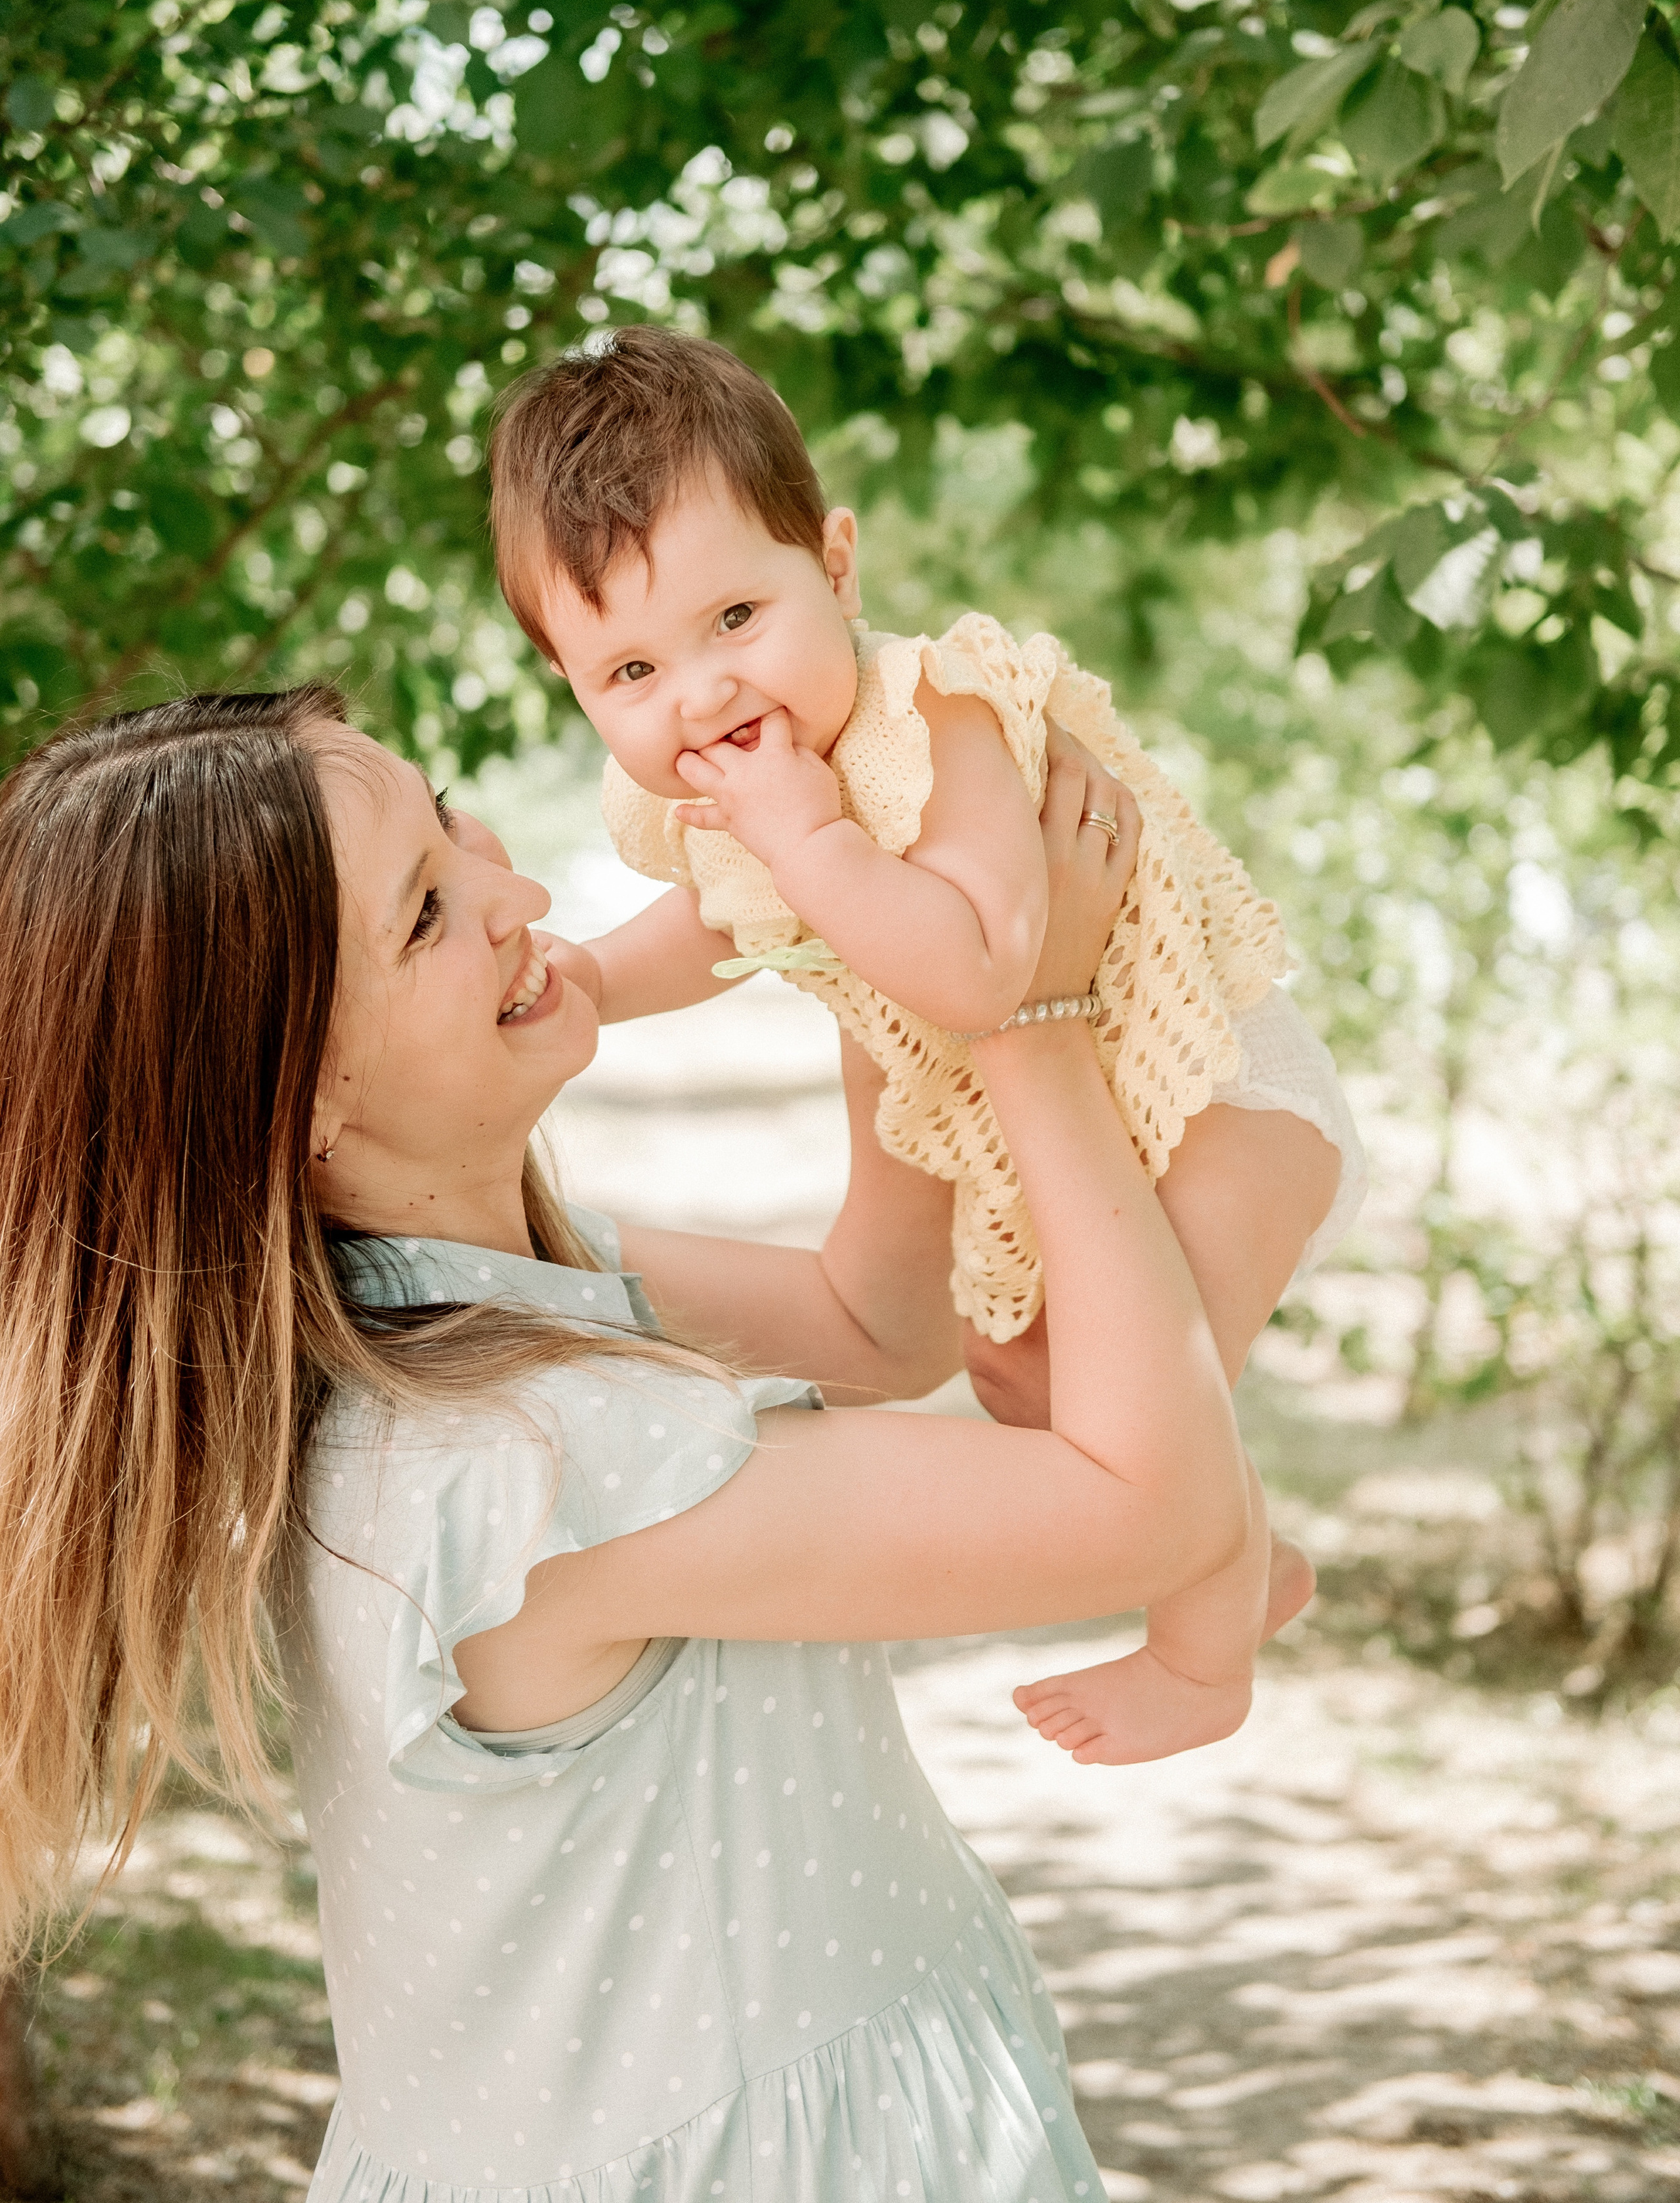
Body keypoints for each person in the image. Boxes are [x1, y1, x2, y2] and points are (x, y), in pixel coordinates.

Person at [0, 683, 1265, 2203]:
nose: (517, 891)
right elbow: (1156, 1508)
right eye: (420, 914)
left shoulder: (442, 1314)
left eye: (453, 826)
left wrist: (892, 944)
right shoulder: (517, 1461)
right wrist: (1027, 1019)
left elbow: (875, 1324)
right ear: (299, 1099)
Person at [486, 327, 1364, 1765]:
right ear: (572, 682)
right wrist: (590, 972)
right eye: (630, 667)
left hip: (1213, 1093)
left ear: (834, 567)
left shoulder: (938, 711)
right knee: (1018, 1377)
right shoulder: (748, 797)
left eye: (733, 619)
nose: (701, 695)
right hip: (1056, 1124)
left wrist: (809, 831)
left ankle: (1204, 1664)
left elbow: (981, 965)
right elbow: (725, 922)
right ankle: (1247, 1559)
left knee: (1138, 1389)